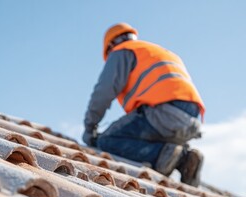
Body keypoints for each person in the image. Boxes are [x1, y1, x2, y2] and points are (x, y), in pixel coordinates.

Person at [82, 23, 206, 187]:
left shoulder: (122, 51)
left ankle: (173, 158)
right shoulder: (154, 51)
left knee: (107, 141)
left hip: (163, 113)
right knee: (135, 133)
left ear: (111, 46)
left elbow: (104, 91)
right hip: (191, 121)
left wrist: (90, 127)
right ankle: (184, 158)